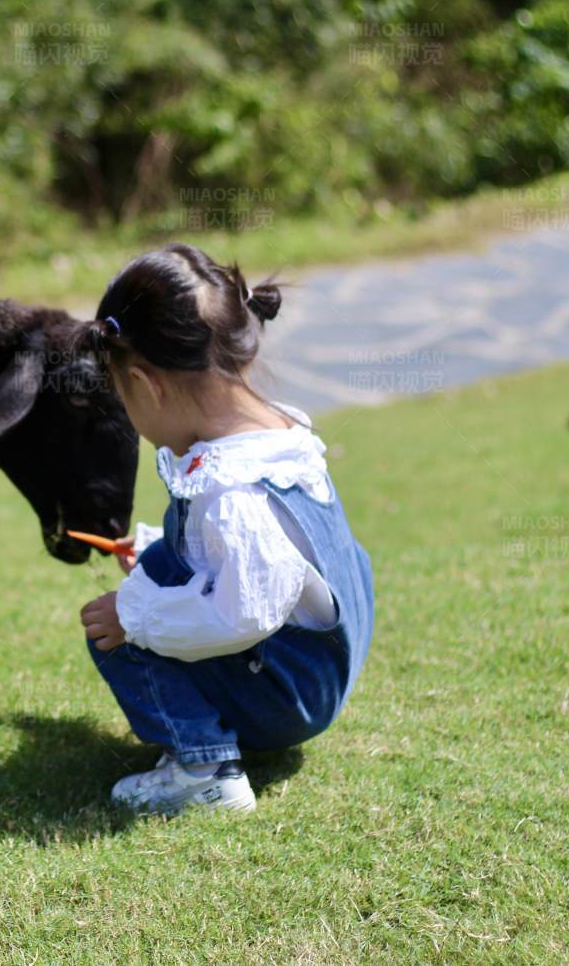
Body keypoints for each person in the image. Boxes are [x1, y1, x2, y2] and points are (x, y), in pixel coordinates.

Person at [78, 243, 374, 815]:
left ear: (145, 383)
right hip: (320, 664)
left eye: (122, 395)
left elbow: (242, 614)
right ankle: (211, 745)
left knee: (113, 626)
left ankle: (205, 770)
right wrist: (152, 553)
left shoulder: (229, 490)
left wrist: (135, 615)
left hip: (291, 694)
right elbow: (255, 561)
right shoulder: (274, 435)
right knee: (159, 567)